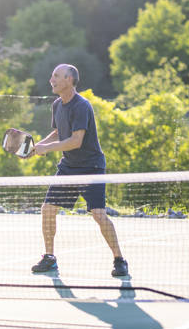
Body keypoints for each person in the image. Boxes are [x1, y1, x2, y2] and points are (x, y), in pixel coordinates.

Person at [30, 64, 129, 277]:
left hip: (91, 167)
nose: (51, 80)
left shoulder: (82, 106)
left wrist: (46, 148)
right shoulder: (57, 105)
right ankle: (50, 257)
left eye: (56, 76)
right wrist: (38, 145)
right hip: (68, 167)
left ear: (68, 79)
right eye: (52, 75)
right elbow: (57, 132)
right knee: (47, 209)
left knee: (99, 215)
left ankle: (119, 259)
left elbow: (76, 141)